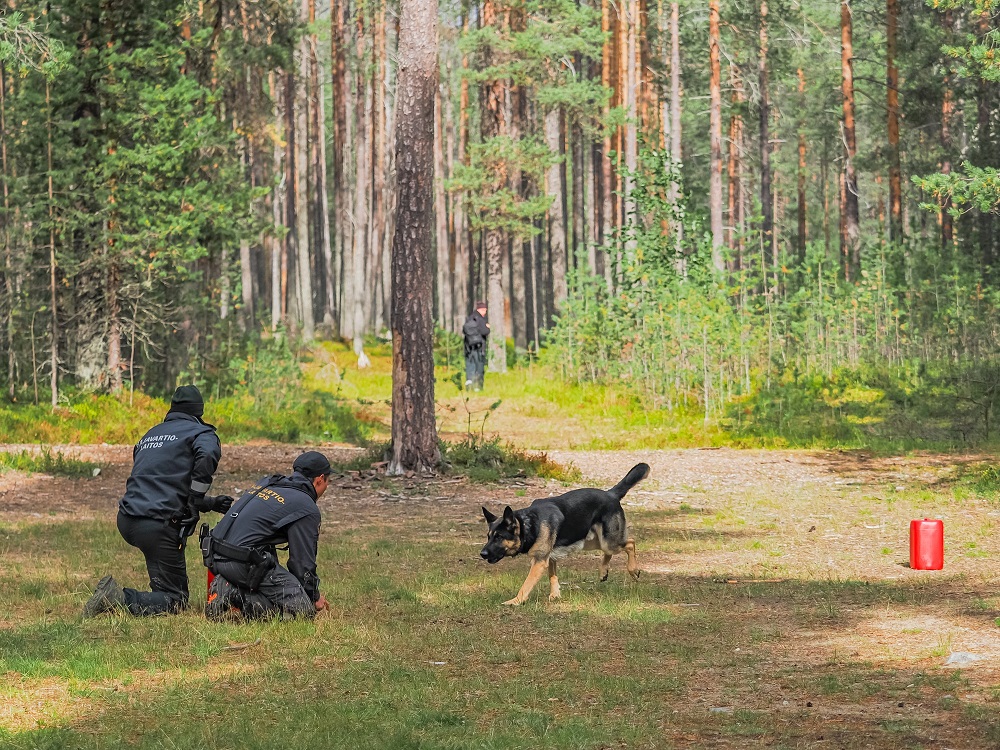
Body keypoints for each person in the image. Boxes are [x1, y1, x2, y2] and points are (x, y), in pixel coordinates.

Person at [83, 385, 233, 618]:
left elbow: (162, 484)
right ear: (199, 412)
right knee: (176, 599)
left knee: (162, 583)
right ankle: (117, 598)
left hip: (128, 519)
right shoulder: (201, 434)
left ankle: (151, 594)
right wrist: (194, 502)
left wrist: (209, 503)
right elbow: (206, 456)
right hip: (156, 525)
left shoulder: (151, 434)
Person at [200, 451, 332, 621]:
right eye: (328, 481)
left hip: (214, 555)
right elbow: (302, 564)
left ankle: (227, 584)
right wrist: (313, 597)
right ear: (320, 479)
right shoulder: (306, 507)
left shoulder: (269, 483)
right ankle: (231, 592)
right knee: (303, 612)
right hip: (239, 563)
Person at [462, 301, 491, 391]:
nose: (485, 312)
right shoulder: (480, 319)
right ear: (482, 309)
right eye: (485, 310)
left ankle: (469, 384)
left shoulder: (470, 318)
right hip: (479, 347)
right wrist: (488, 327)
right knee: (479, 366)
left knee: (470, 365)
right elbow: (484, 332)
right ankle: (478, 387)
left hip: (469, 348)